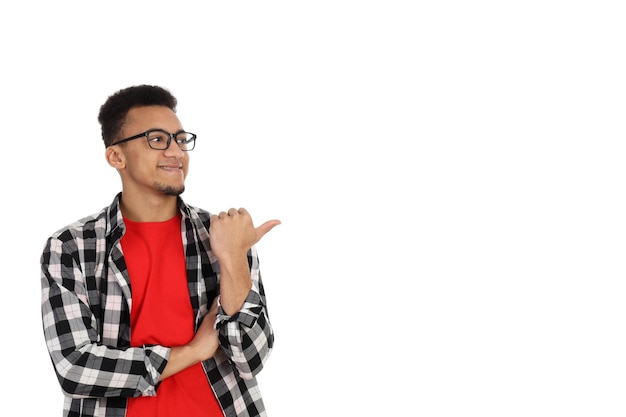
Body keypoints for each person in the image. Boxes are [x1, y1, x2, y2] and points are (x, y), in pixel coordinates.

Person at [40, 84, 280, 417]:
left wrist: (232, 259)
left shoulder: (224, 236)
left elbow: (250, 357)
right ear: (116, 156)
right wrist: (194, 351)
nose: (175, 152)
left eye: (181, 140)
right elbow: (75, 368)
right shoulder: (73, 247)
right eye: (157, 140)